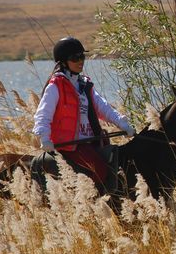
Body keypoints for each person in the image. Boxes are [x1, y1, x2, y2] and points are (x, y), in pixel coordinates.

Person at [33, 37, 135, 195]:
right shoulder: (55, 85)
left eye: (82, 56)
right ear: (64, 62)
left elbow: (103, 108)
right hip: (69, 145)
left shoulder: (85, 84)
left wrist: (123, 124)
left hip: (91, 140)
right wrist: (44, 137)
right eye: (75, 58)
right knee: (99, 170)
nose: (81, 61)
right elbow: (43, 114)